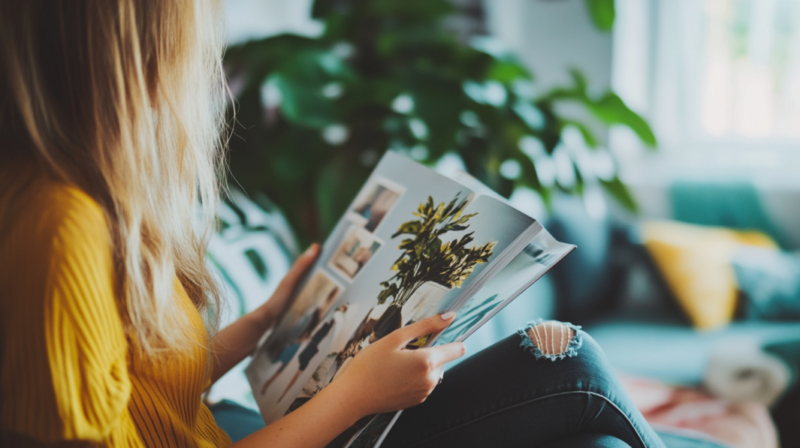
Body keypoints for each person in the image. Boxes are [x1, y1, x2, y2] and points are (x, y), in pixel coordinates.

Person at [0, 1, 675, 447]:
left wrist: (264, 324)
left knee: (575, 397)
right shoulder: (62, 225)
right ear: (134, 70)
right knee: (569, 363)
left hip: (226, 429)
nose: (200, 87)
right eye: (192, 59)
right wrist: (352, 395)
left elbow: (138, 392)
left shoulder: (77, 205)